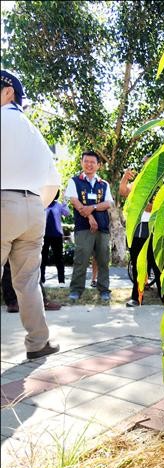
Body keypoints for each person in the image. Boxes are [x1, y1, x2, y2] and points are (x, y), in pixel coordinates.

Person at [1, 69, 61, 359]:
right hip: (35, 208)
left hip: (3, 203)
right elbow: (54, 183)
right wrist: (34, 204)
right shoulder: (34, 132)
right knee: (27, 283)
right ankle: (39, 343)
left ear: (8, 91)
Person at [65, 151, 114, 301]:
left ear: (98, 165)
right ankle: (76, 289)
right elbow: (75, 201)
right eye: (86, 161)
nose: (89, 164)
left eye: (93, 162)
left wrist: (92, 208)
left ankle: (104, 289)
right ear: (81, 163)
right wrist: (91, 217)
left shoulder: (104, 184)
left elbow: (109, 204)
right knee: (81, 258)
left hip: (103, 228)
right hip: (83, 227)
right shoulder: (75, 181)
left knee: (103, 259)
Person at [119, 162, 164, 306]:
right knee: (137, 266)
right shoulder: (139, 183)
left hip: (154, 230)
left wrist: (140, 202)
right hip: (138, 230)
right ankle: (136, 298)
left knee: (158, 265)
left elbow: (153, 208)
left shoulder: (161, 185)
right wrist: (125, 178)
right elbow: (124, 192)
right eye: (145, 164)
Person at [41, 190, 70, 287]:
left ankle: (61, 281)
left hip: (56, 235)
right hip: (43, 235)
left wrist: (65, 203)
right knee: (42, 258)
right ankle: (41, 279)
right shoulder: (42, 204)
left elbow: (67, 213)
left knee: (59, 258)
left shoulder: (59, 205)